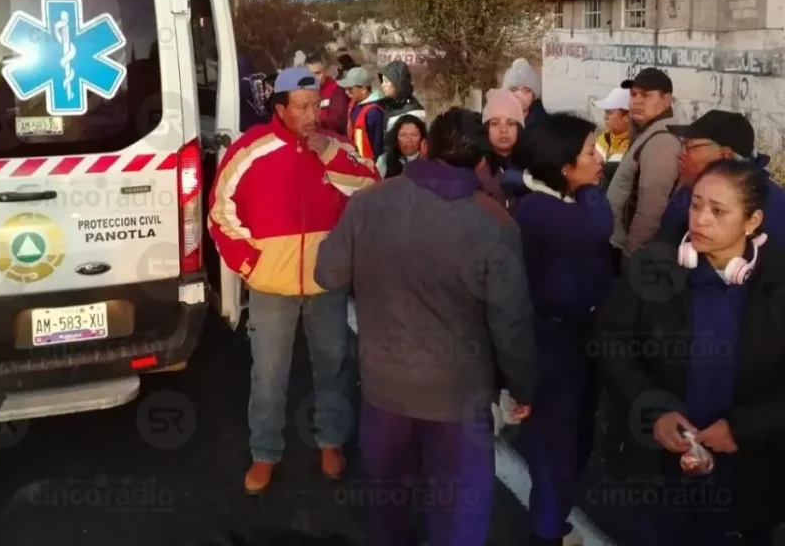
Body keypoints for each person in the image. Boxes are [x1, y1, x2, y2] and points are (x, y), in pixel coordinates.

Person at [314, 108, 537, 546]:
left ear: (426, 147)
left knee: (388, 502)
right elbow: (512, 322)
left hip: (385, 389)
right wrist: (523, 385)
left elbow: (328, 274)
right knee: (458, 513)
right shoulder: (495, 222)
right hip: (459, 397)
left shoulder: (370, 202)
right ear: (478, 162)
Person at [207, 67, 381, 494]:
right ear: (280, 108)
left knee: (334, 367)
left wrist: (329, 155)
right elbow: (220, 213)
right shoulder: (250, 150)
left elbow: (372, 190)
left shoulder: (337, 145)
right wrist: (253, 264)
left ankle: (331, 441)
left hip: (328, 284)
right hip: (271, 287)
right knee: (268, 374)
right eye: (301, 107)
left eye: (315, 106)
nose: (311, 115)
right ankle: (265, 452)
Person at [596, 159, 785, 546]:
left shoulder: (777, 282)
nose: (700, 219)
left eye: (718, 211)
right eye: (696, 204)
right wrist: (653, 410)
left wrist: (745, 429)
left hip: (746, 472)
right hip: (659, 467)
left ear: (752, 221)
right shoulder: (654, 266)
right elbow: (612, 342)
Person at [511, 114, 613, 546]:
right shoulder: (539, 208)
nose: (600, 160)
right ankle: (546, 532)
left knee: (575, 439)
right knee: (557, 446)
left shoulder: (556, 200)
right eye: (590, 152)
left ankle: (554, 522)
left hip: (579, 338)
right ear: (564, 165)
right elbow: (598, 225)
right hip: (554, 344)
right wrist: (590, 187)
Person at [658, 109, 785, 246]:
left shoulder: (772, 207)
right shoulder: (689, 189)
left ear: (725, 155)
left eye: (690, 147)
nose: (681, 155)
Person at [606, 68, 682, 269]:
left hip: (630, 252)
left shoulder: (662, 140)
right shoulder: (648, 131)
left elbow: (651, 210)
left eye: (646, 95)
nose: (636, 101)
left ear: (667, 99)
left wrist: (632, 255)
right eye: (633, 94)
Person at [475, 88, 525, 208]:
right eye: (495, 123)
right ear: (486, 129)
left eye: (511, 123)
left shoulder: (530, 169)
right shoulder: (476, 169)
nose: (503, 130)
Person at [338, 67, 386, 161]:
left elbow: (378, 145)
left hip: (369, 164)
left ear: (364, 89)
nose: (346, 92)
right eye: (346, 88)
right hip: (356, 161)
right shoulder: (355, 104)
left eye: (350, 88)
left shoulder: (374, 113)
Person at [593, 86, 631, 192]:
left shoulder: (634, 147)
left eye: (609, 113)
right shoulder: (602, 139)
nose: (604, 117)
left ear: (627, 117)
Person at [305, 52, 349, 136]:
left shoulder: (335, 90)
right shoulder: (305, 91)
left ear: (324, 72)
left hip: (334, 141)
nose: (314, 78)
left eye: (318, 73)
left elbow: (337, 122)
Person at [502, 58, 548, 132]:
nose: (520, 96)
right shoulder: (496, 122)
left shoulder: (545, 126)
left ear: (534, 95)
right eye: (514, 90)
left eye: (526, 90)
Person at [378, 60, 426, 131]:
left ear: (398, 83)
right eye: (382, 81)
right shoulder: (384, 105)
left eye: (386, 81)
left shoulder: (413, 112)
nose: (382, 85)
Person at [375, 113, 426, 178]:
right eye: (403, 135)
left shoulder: (430, 161)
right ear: (396, 137)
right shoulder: (384, 160)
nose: (409, 140)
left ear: (422, 137)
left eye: (414, 135)